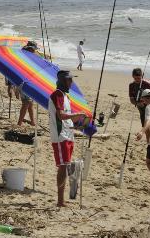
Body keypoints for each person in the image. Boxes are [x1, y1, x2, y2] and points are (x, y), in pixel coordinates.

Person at [49, 70, 87, 207]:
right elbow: (61, 116)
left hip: (68, 133)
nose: (71, 82)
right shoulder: (57, 95)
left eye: (71, 80)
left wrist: (79, 123)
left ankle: (64, 198)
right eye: (68, 80)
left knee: (66, 164)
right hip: (60, 135)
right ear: (62, 81)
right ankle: (60, 200)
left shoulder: (66, 96)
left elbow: (68, 117)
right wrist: (76, 115)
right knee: (63, 166)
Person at [17, 41, 39, 126]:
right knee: (26, 102)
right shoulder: (26, 58)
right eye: (34, 50)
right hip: (25, 82)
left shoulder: (24, 56)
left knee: (30, 103)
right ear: (31, 49)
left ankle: (33, 122)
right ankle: (19, 123)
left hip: (26, 82)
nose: (34, 52)